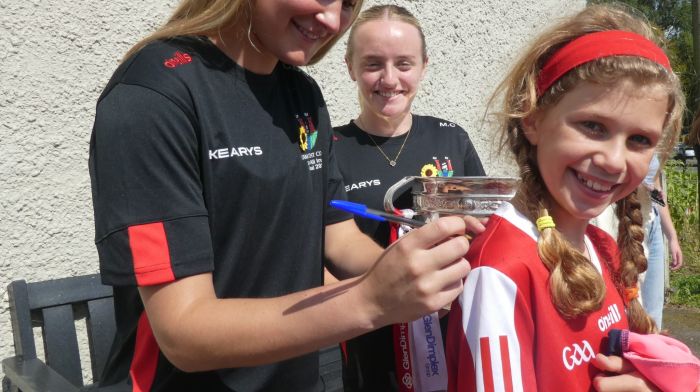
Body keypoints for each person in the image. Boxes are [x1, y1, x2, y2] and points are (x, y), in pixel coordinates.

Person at [88, 1, 484, 391]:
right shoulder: (153, 94)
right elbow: (182, 334)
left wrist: (412, 271)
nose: (332, 20)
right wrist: (371, 301)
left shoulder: (301, 92)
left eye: (346, 3)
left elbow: (339, 238)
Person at [445, 4, 688, 391]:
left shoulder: (604, 247)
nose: (613, 160)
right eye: (593, 126)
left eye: (640, 140)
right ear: (533, 118)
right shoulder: (501, 271)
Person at [326, 5, 485, 391]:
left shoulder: (451, 138)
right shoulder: (330, 150)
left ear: (424, 66)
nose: (389, 79)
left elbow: (485, 231)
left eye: (404, 64)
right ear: (349, 67)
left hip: (451, 339)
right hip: (369, 353)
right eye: (373, 64)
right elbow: (323, 255)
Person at [639, 153, 683, 329]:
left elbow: (656, 189)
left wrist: (672, 236)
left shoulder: (653, 143)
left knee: (654, 312)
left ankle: (651, 353)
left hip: (653, 224)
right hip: (629, 224)